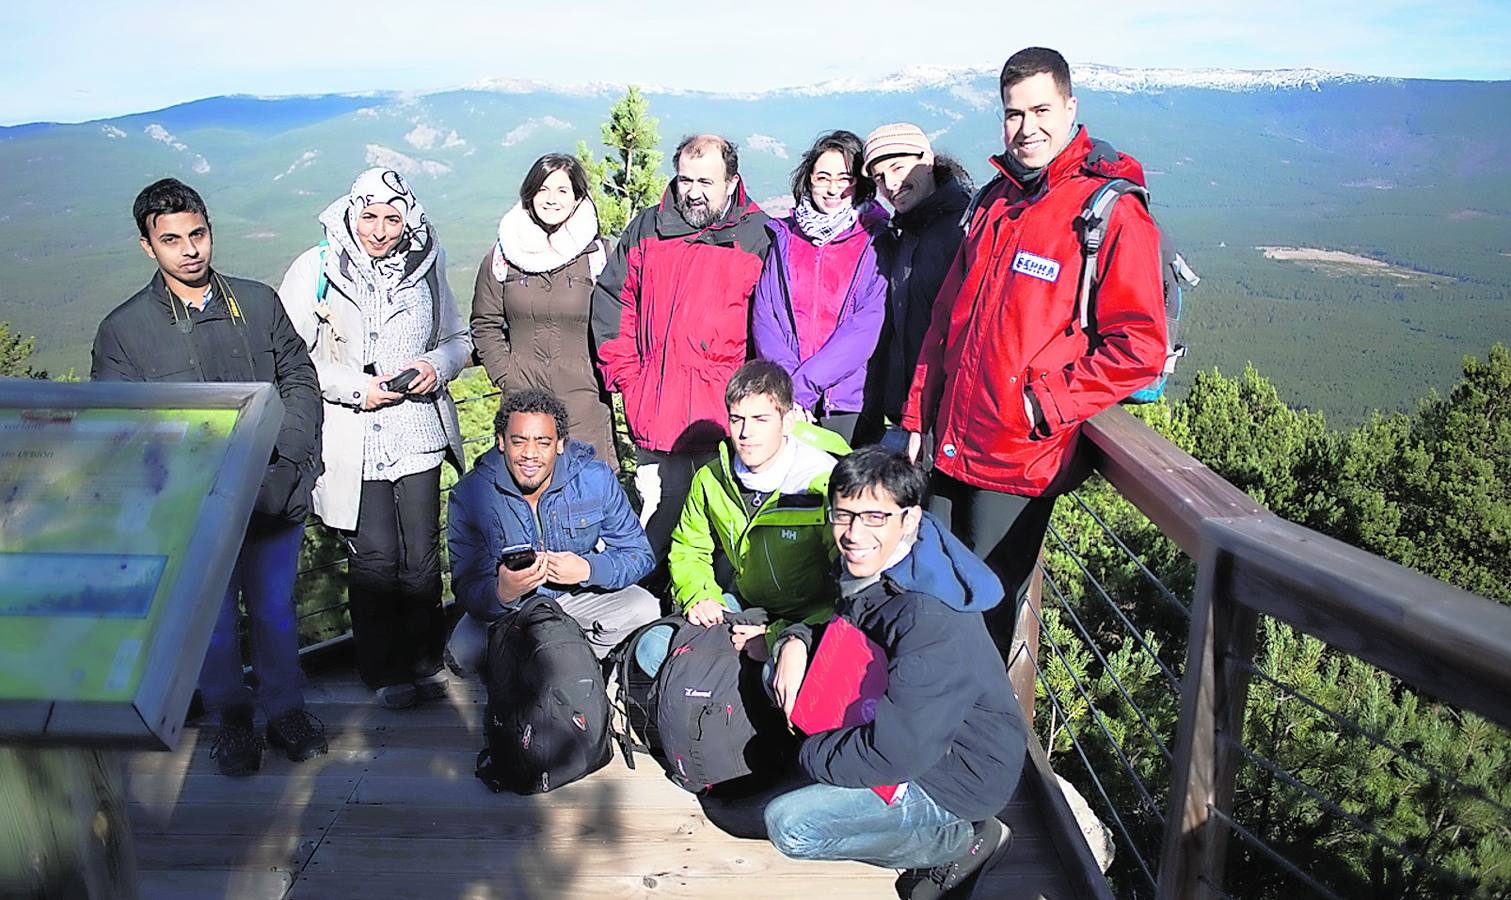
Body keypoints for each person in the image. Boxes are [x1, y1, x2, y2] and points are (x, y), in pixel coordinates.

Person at [902, 47, 1168, 651]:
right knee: (928, 604)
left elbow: (1141, 345)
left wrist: (1043, 404)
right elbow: (946, 322)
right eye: (1013, 113)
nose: (1027, 128)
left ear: (1071, 107)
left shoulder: (1109, 208)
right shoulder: (997, 199)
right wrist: (919, 412)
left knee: (985, 624)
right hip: (949, 446)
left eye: (1041, 109)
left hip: (1018, 461)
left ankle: (977, 744)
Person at [91, 178, 327, 776]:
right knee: (213, 624)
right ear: (148, 247)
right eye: (171, 240)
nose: (189, 249)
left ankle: (286, 711)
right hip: (190, 510)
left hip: (273, 494)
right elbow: (121, 428)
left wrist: (290, 457)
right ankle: (232, 721)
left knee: (274, 611)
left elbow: (299, 378)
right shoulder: (124, 331)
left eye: (197, 234)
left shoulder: (259, 303)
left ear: (210, 230)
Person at [763, 448, 1024, 899]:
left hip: (957, 777)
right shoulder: (890, 567)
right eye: (843, 515)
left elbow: (899, 753)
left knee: (790, 826)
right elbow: (843, 630)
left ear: (909, 519)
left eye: (874, 517)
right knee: (774, 678)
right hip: (909, 729)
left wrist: (809, 753)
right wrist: (795, 641)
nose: (853, 533)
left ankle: (961, 843)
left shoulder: (927, 615)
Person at [277, 167, 472, 709]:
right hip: (353, 437)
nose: (381, 229)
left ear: (408, 217)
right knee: (375, 556)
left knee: (421, 555)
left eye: (393, 217)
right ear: (350, 212)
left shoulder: (427, 267)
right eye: (370, 216)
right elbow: (292, 356)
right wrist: (354, 388)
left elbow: (458, 338)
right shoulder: (316, 268)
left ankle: (424, 660)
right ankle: (382, 669)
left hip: (417, 431)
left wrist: (436, 365)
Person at [591, 134, 772, 559]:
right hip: (657, 412)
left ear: (731, 182)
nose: (693, 192)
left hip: (726, 420)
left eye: (706, 182)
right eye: (685, 180)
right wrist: (626, 378)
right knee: (655, 526)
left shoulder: (759, 236)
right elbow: (615, 300)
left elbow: (769, 325)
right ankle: (648, 612)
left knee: (728, 530)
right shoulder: (647, 227)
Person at [635, 360, 847, 684]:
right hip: (745, 601)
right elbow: (689, 546)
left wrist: (777, 635)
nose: (746, 433)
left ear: (787, 421)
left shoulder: (824, 483)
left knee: (774, 675)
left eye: (761, 419)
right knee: (653, 649)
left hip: (811, 617)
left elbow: (852, 587)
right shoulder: (712, 477)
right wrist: (698, 594)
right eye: (737, 419)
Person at [445, 388, 658, 674]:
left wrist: (588, 569)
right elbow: (466, 583)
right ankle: (549, 665)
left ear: (560, 444)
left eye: (543, 442)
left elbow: (639, 554)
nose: (530, 454)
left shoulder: (595, 478)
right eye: (518, 442)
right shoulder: (470, 494)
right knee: (463, 653)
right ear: (501, 442)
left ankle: (565, 667)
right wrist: (501, 592)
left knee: (645, 608)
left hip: (578, 599)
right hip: (512, 610)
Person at [470, 153, 618, 469]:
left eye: (563, 191)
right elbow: (485, 322)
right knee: (524, 500)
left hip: (585, 401)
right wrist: (506, 375)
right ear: (530, 193)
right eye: (543, 189)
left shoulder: (598, 255)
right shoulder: (503, 255)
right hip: (522, 402)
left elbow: (618, 319)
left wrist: (605, 376)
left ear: (579, 197)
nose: (552, 200)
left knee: (587, 499)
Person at [751, 130, 889, 445]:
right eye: (822, 177)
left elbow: (865, 327)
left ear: (860, 182)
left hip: (849, 402)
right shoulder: (785, 238)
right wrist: (789, 388)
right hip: (788, 400)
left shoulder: (876, 241)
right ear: (808, 179)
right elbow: (766, 316)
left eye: (844, 179)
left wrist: (803, 386)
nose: (832, 189)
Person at [857, 124, 972, 453]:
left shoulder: (965, 228)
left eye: (897, 167)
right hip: (911, 418)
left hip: (947, 419)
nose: (890, 185)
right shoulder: (908, 229)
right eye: (879, 177)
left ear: (928, 159)